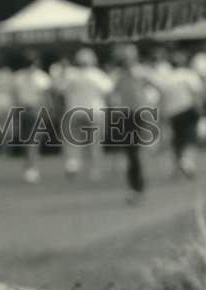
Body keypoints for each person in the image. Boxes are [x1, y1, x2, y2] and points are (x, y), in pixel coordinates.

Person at [107, 43, 159, 205]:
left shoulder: (142, 73)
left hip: (140, 114)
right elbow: (113, 93)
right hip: (126, 115)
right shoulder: (119, 75)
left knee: (137, 153)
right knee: (130, 153)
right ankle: (134, 187)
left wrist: (154, 105)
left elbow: (159, 87)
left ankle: (138, 187)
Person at [59, 48, 113, 180]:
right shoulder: (97, 75)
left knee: (73, 141)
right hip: (94, 112)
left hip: (74, 111)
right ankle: (94, 169)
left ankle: (73, 164)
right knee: (94, 143)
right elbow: (109, 89)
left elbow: (60, 89)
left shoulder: (71, 75)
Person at [159, 50, 206, 179]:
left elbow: (162, 98)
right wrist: (201, 111)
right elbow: (196, 94)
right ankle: (187, 162)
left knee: (177, 141)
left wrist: (162, 115)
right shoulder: (189, 75)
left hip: (172, 113)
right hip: (187, 110)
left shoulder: (167, 78)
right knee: (190, 139)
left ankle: (177, 166)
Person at [13, 52, 52, 184]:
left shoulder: (18, 76)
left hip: (23, 110)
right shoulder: (41, 76)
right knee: (33, 141)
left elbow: (16, 96)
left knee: (27, 141)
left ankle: (28, 167)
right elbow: (46, 97)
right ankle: (32, 168)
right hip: (34, 110)